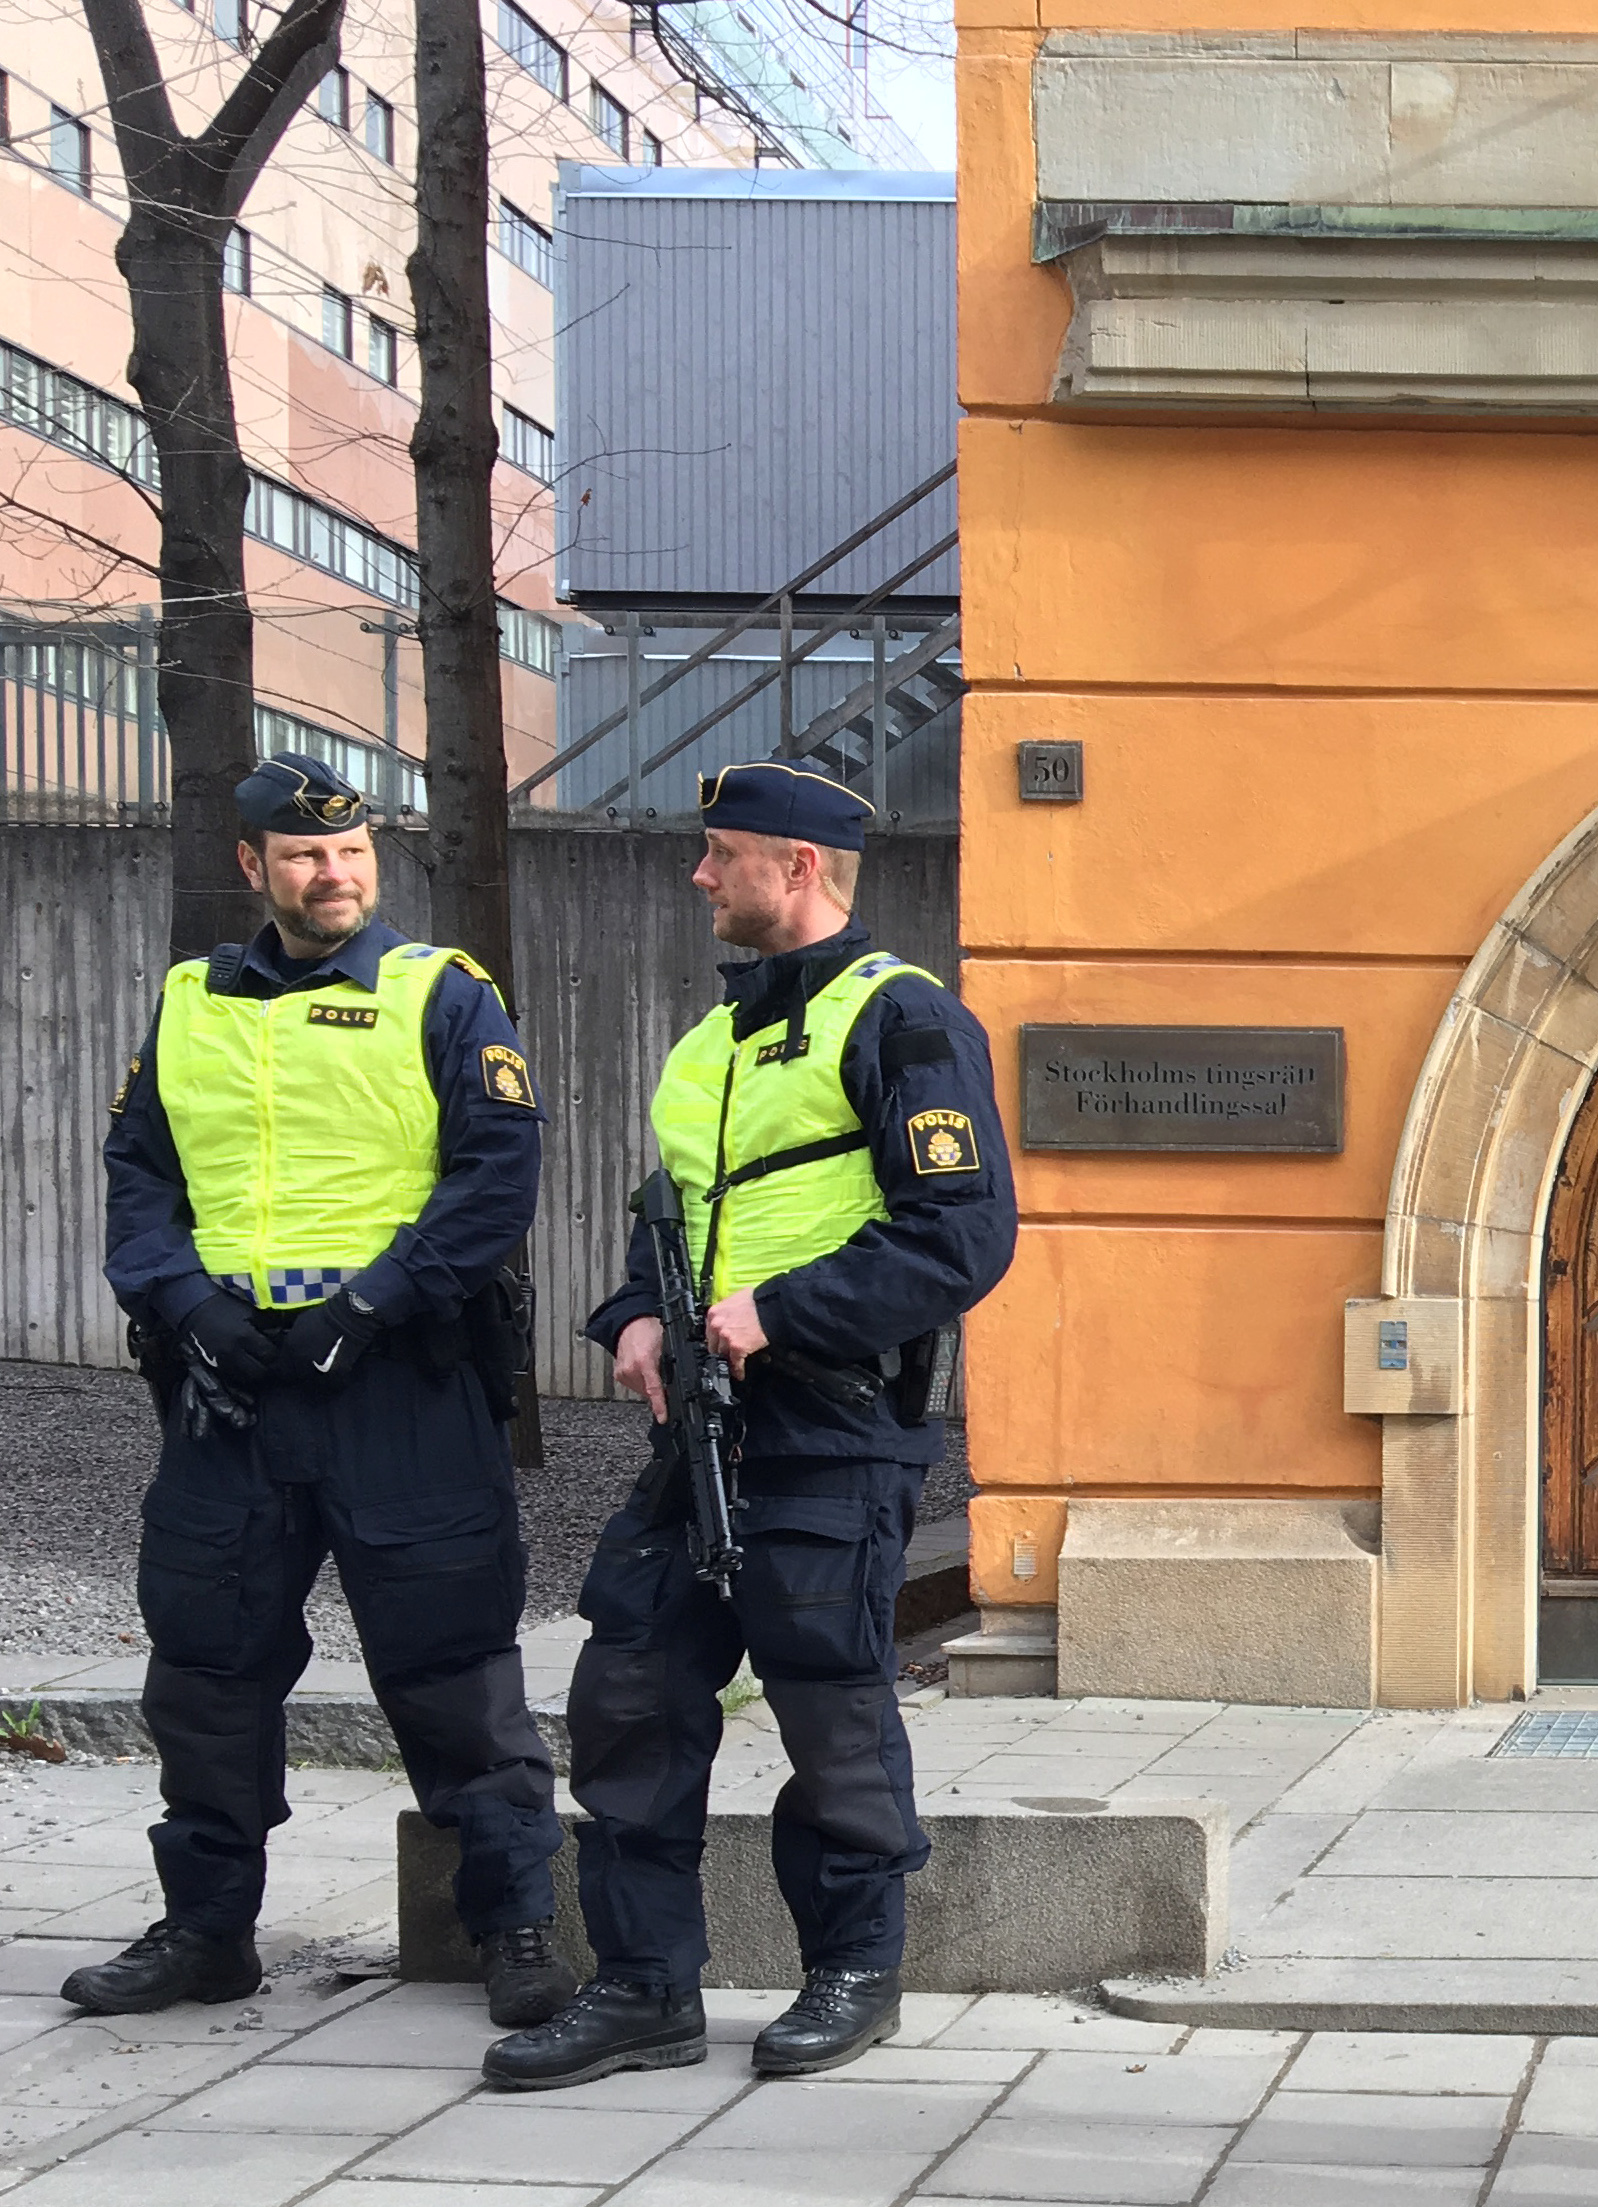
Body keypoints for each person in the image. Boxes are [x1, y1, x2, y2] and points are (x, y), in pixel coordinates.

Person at [484, 760, 1015, 2092]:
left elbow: (962, 1235)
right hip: (699, 1440)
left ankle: (853, 1969)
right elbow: (663, 1219)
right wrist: (632, 1317)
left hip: (830, 1428)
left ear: (799, 867)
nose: (699, 874)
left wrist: (780, 1309)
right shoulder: (708, 1044)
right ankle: (646, 1986)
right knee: (627, 1697)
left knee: (830, 1706)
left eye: (721, 852)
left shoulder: (904, 1019)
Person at [81, 753, 574, 2028]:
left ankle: (514, 1922)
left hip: (399, 1382)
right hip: (232, 1388)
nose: (333, 871)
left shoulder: (442, 994)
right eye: (304, 856)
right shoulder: (190, 1000)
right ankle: (206, 1931)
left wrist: (370, 1305)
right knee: (205, 1666)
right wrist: (185, 1305)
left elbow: (493, 1178)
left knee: (453, 1662)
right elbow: (139, 1177)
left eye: (350, 850)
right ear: (254, 867)